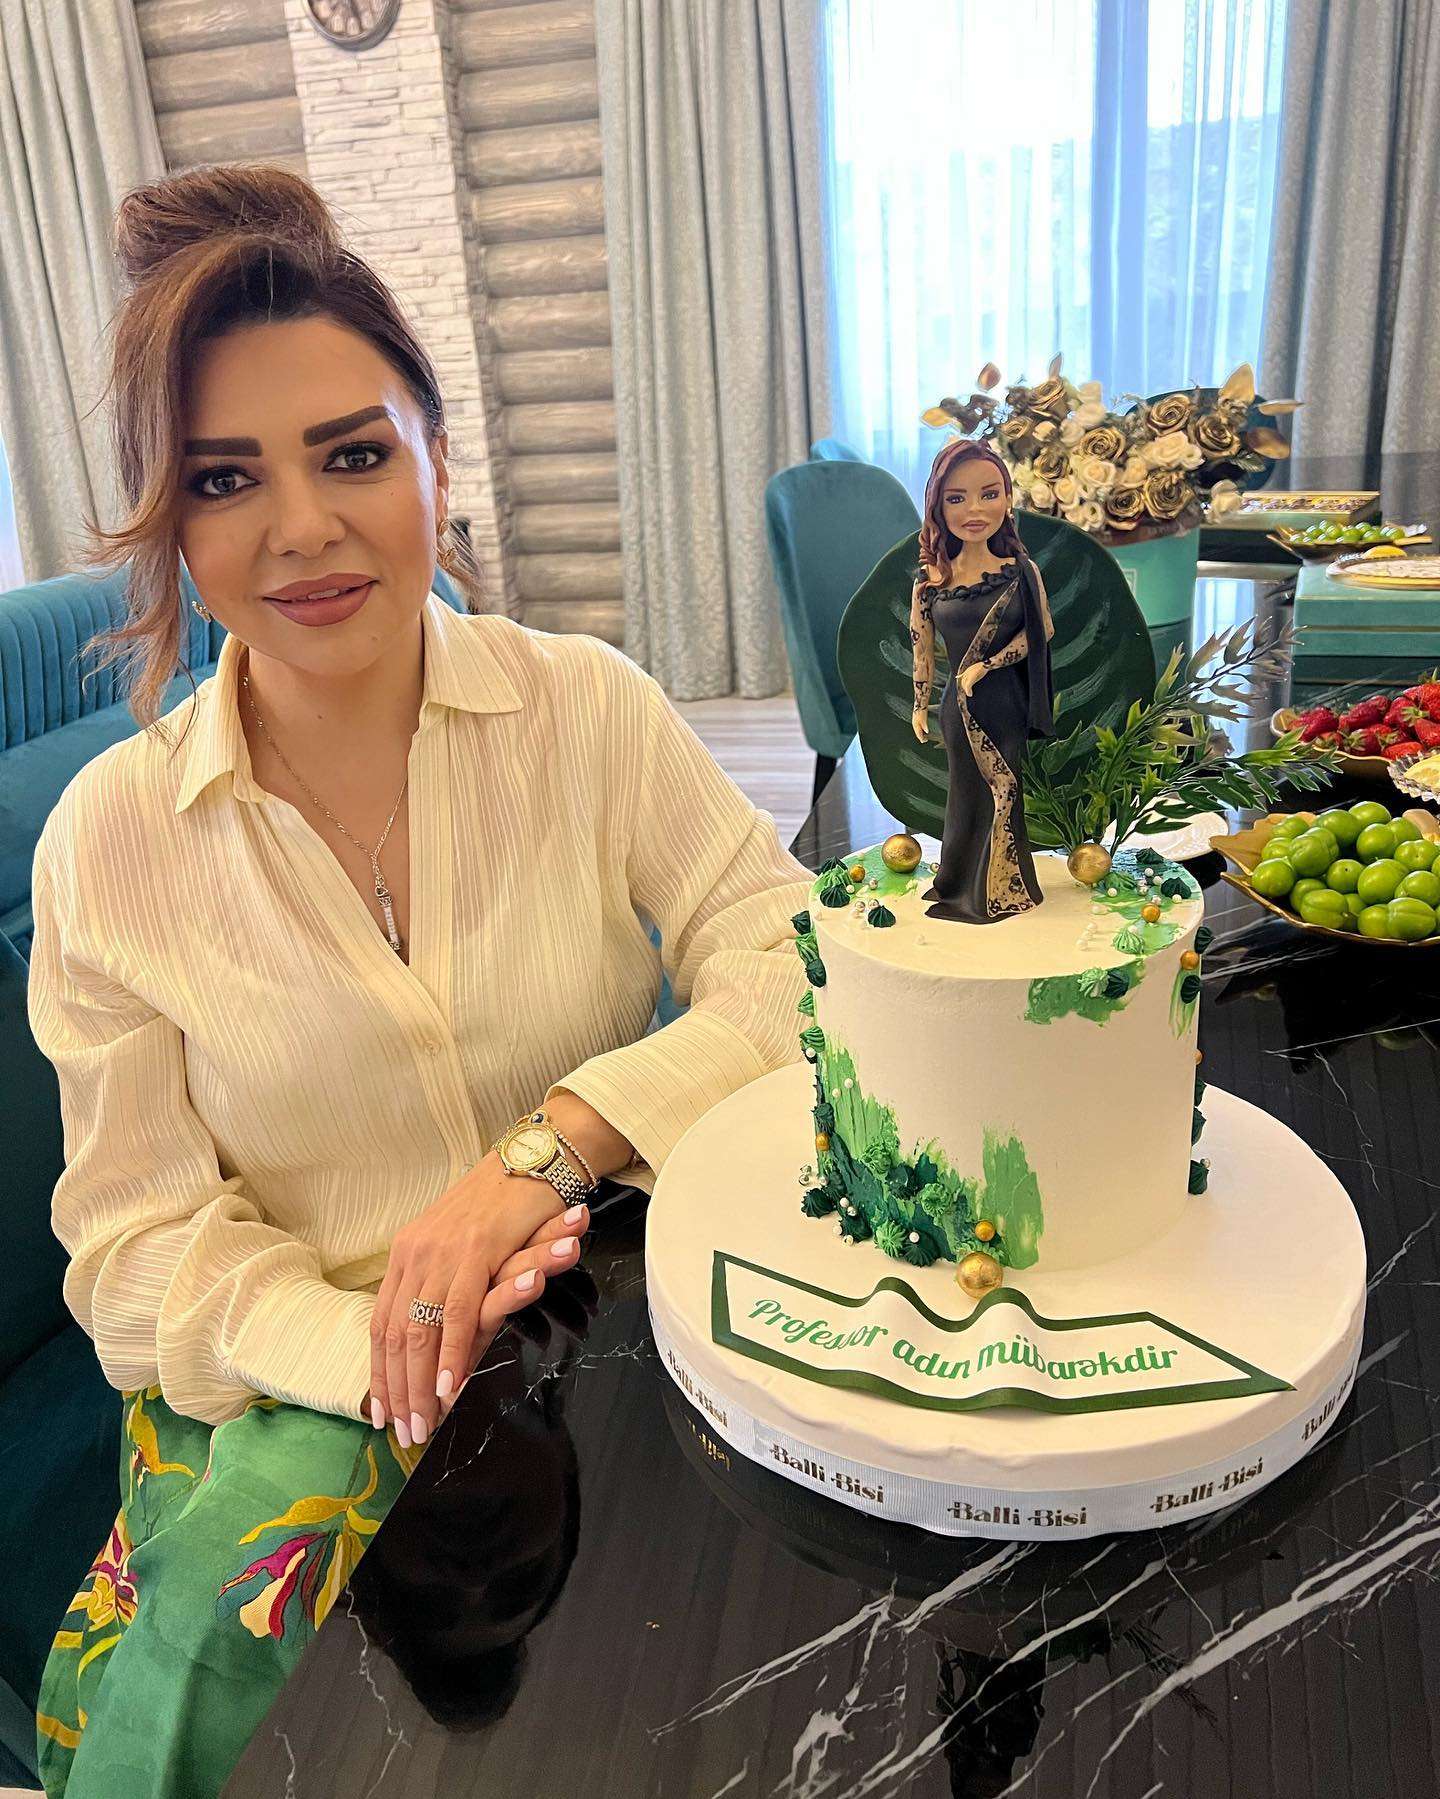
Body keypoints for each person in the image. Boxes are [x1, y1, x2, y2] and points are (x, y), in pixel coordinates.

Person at [25, 164, 811, 1798]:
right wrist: (380, 1346)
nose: (302, 526)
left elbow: (786, 950)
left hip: (607, 1312)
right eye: (225, 477)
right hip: (294, 1379)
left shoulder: (584, 707)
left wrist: (543, 1153)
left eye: (353, 453)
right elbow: (131, 1250)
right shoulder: (110, 840)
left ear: (438, 461)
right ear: (172, 523)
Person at [909, 439, 1055, 924]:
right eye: (957, 498)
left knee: (1004, 790)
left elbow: (1041, 633)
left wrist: (988, 665)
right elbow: (921, 648)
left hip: (1003, 703)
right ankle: (956, 883)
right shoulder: (931, 581)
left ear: (1007, 499)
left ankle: (1002, 890)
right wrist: (919, 705)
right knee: (965, 794)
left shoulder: (1021, 572)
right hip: (958, 708)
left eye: (989, 494)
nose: (974, 509)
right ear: (938, 506)